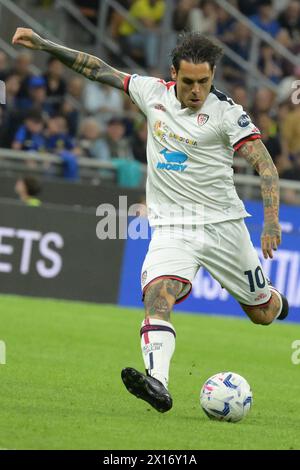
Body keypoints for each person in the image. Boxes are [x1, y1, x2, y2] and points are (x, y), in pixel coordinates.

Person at [12, 28, 289, 413]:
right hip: (173, 226)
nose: (196, 90)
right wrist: (45, 45)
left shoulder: (227, 114)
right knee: (158, 293)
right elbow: (97, 69)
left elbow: (266, 166)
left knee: (263, 314)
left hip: (224, 226)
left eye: (204, 82)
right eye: (189, 81)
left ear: (213, 78)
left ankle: (275, 298)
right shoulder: (151, 93)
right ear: (173, 73)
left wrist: (271, 222)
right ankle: (158, 383)